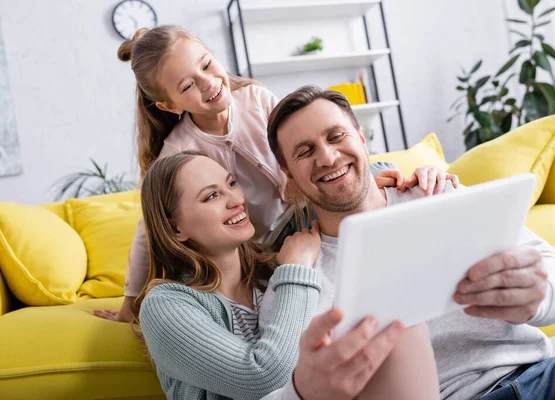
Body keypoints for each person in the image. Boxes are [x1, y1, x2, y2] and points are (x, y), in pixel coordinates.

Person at [93, 25, 459, 322]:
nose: (208, 83)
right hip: (263, 243)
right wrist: (130, 303)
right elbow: (150, 229)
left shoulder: (255, 99)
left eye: (206, 65)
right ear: (169, 105)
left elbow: (309, 145)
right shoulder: (179, 150)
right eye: (188, 85)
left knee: (381, 171)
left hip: (305, 207)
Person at [265, 85, 555, 400]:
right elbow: (276, 385)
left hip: (544, 376)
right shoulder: (297, 278)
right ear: (290, 176)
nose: (327, 157)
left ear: (363, 140)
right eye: (305, 151)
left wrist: (539, 294)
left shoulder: (437, 194)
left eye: (336, 136)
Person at [136, 150, 439, 399]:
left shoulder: (270, 269)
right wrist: (296, 270)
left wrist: (413, 178)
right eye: (211, 196)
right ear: (175, 228)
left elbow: (336, 179)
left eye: (231, 183)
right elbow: (266, 378)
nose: (235, 200)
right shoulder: (165, 305)